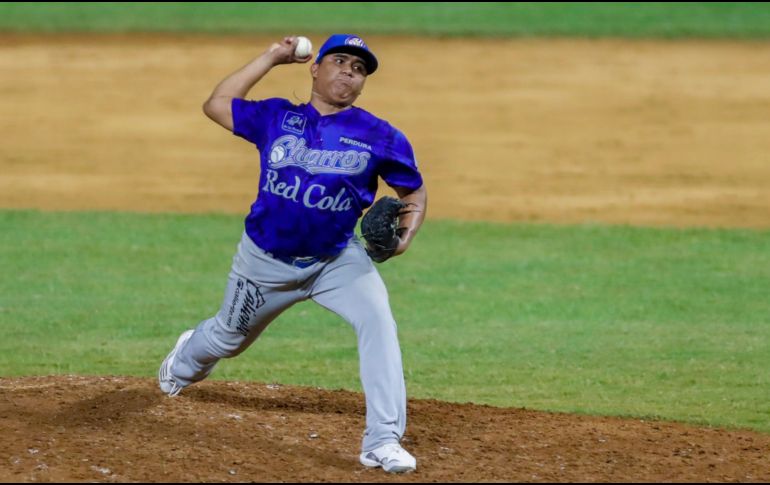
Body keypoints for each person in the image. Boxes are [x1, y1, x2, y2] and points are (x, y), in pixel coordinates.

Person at [157, 34, 427, 474]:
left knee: (379, 323)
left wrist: (404, 238)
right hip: (264, 261)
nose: (348, 72)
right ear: (315, 69)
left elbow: (412, 188)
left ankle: (382, 440)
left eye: (358, 69)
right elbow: (217, 103)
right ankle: (185, 361)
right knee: (228, 338)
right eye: (339, 61)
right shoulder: (276, 116)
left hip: (337, 261)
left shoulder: (380, 136)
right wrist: (271, 56)